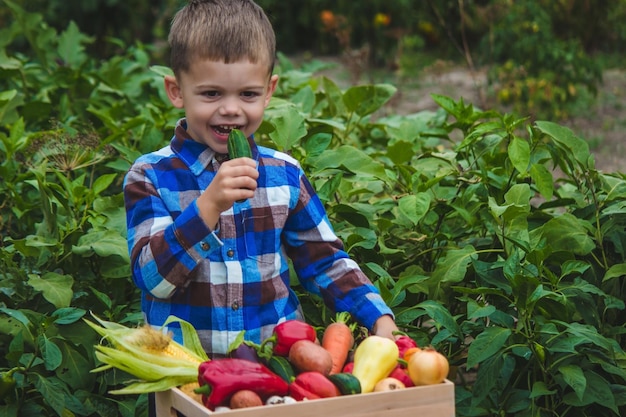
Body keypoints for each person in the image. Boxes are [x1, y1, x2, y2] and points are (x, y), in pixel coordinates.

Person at [123, 0, 399, 361]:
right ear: (176, 91)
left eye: (248, 94)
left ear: (269, 91)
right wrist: (207, 207)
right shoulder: (151, 176)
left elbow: (325, 261)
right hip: (186, 372)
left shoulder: (283, 174)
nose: (231, 109)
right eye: (211, 93)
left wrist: (380, 320)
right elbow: (153, 281)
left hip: (276, 365)